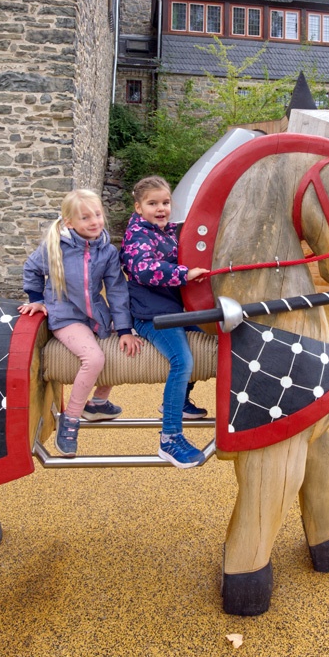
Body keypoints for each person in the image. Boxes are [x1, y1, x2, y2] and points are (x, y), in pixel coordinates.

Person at [20, 189, 141, 457]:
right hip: (66, 316)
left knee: (123, 350)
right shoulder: (55, 247)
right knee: (94, 359)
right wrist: (36, 298)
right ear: (69, 222)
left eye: (97, 215)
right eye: (86, 217)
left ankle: (98, 402)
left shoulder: (108, 251)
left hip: (96, 315)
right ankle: (71, 419)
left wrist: (123, 328)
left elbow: (118, 290)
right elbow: (31, 268)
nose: (95, 221)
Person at [120, 175, 210, 469]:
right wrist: (185, 274)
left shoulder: (168, 232)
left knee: (210, 333)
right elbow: (145, 270)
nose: (161, 208)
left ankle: (180, 401)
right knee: (181, 360)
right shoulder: (136, 235)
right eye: (152, 203)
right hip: (151, 315)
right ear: (138, 207)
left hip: (173, 309)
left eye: (166, 202)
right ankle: (169, 438)